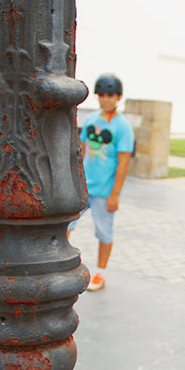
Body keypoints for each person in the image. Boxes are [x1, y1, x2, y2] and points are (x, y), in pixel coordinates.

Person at [71, 73, 134, 291]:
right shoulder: (91, 120)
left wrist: (115, 194)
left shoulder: (123, 127)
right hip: (83, 187)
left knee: (104, 232)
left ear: (118, 97)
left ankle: (100, 273)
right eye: (102, 95)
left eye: (110, 95)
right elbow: (82, 150)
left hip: (104, 190)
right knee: (66, 224)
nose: (106, 99)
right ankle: (63, 263)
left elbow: (123, 163)